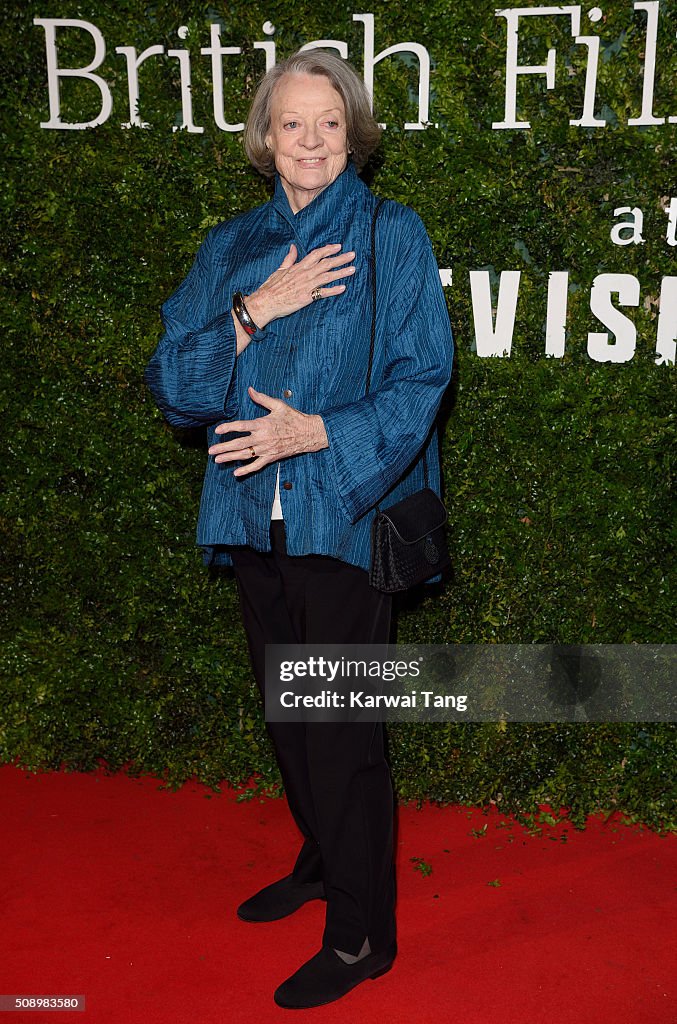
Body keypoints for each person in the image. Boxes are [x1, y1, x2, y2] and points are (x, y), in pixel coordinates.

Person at [144, 49, 453, 1010]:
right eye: (291, 123)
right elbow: (174, 389)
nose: (310, 141)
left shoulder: (391, 233)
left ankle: (363, 937)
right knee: (289, 712)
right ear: (264, 137)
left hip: (348, 517)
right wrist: (251, 311)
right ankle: (322, 859)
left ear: (352, 133)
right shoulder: (230, 247)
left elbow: (423, 375)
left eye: (328, 122)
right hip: (249, 514)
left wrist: (317, 431)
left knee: (341, 729)